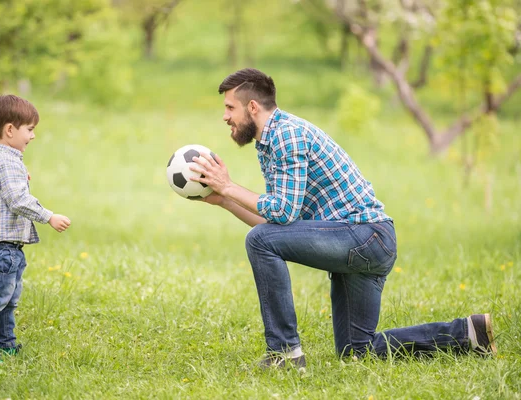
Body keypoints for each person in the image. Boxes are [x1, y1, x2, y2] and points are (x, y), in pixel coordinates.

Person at [190, 68, 497, 368]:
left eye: (230, 107)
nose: (225, 116)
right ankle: (469, 333)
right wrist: (225, 200)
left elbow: (279, 215)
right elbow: (277, 226)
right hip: (363, 241)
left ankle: (284, 353)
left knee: (259, 241)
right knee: (357, 351)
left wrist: (229, 185)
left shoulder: (287, 135)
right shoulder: (270, 141)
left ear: (252, 106)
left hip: (364, 236)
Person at [0, 94, 71, 357]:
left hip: (5, 247)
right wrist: (48, 216)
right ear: (10, 130)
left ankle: (7, 344)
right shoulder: (6, 162)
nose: (33, 136)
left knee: (8, 300)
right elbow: (17, 200)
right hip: (0, 247)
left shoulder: (0, 161)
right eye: (30, 129)